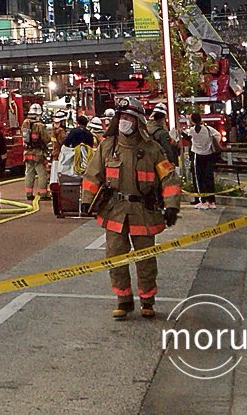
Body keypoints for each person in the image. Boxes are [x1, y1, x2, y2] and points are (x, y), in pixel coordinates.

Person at [81, 96, 181, 319]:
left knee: (146, 260)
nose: (125, 121)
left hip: (144, 213)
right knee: (115, 258)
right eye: (122, 117)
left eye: (129, 117)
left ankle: (147, 301)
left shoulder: (152, 149)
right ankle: (123, 301)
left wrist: (172, 205)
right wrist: (87, 199)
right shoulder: (107, 146)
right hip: (115, 212)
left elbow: (169, 178)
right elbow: (92, 175)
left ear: (138, 121)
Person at [182, 111, 220, 209]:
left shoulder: (192, 130)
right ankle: (212, 201)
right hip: (208, 155)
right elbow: (217, 135)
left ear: (192, 121)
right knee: (209, 178)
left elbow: (187, 137)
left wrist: (180, 131)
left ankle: (203, 201)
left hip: (197, 156)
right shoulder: (208, 129)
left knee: (199, 179)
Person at [22, 103, 50, 202]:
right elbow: (46, 139)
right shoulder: (40, 125)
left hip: (27, 152)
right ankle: (43, 194)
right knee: (42, 174)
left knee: (29, 173)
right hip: (38, 153)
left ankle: (29, 194)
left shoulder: (25, 122)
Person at [49, 109, 69, 217]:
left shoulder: (53, 130)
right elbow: (64, 143)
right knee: (60, 183)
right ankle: (61, 207)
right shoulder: (61, 131)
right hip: (60, 158)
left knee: (54, 183)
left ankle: (57, 208)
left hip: (54, 157)